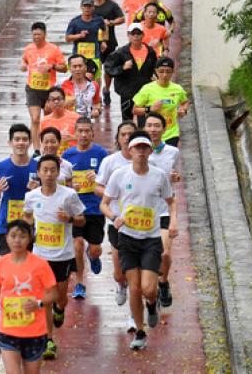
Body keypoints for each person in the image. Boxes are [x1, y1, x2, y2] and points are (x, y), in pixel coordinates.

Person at [100, 131, 176, 350]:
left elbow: (171, 201)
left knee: (148, 289)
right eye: (137, 148)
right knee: (134, 288)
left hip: (151, 239)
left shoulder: (159, 175)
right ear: (130, 150)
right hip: (128, 238)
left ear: (150, 151)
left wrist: (173, 222)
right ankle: (141, 332)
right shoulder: (120, 175)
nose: (141, 152)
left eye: (145, 148)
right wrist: (114, 217)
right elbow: (104, 203)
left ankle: (152, 305)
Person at [23, 155, 86, 360]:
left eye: (53, 170)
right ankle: (48, 340)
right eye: (45, 170)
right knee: (45, 300)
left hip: (63, 255)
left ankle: (61, 309)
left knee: (60, 297)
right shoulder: (31, 196)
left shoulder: (68, 195)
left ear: (58, 172)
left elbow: (81, 220)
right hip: (41, 256)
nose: (49, 174)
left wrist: (68, 218)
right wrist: (28, 233)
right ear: (39, 173)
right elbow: (26, 217)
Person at [0, 219, 57, 373]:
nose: (17, 240)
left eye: (22, 236)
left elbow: (54, 293)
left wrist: (38, 303)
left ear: (30, 239)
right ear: (6, 238)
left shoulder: (41, 265)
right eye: (13, 236)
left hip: (35, 332)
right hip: (8, 330)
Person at [94, 120, 138, 330]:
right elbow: (98, 188)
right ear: (118, 138)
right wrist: (114, 194)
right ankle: (121, 285)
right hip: (116, 222)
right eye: (123, 134)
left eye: (131, 134)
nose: (127, 137)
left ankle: (134, 315)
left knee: (135, 273)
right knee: (120, 273)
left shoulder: (146, 161)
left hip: (140, 225)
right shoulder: (111, 162)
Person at [62, 117, 109, 299]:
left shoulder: (101, 154)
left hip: (95, 209)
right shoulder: (67, 156)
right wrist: (70, 186)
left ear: (92, 133)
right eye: (80, 131)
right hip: (75, 209)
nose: (83, 134)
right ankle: (80, 282)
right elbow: (63, 183)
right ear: (75, 133)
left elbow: (108, 181)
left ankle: (94, 255)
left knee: (95, 248)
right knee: (77, 245)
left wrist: (97, 177)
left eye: (86, 131)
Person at [143, 112, 182, 308]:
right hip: (143, 212)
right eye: (149, 125)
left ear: (164, 129)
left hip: (164, 210)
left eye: (156, 126)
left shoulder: (172, 152)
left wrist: (175, 177)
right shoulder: (139, 151)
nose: (152, 130)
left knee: (165, 254)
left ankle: (164, 282)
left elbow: (173, 176)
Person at [0, 124, 39, 255]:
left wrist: (36, 191)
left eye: (24, 139)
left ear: (29, 143)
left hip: (31, 225)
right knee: (7, 266)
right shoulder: (0, 167)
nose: (21, 143)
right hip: (6, 225)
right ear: (10, 142)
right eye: (17, 139)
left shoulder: (38, 167)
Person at [21, 22, 67, 153]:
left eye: (39, 34)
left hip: (49, 91)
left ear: (45, 34)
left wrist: (51, 66)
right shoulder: (28, 48)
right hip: (32, 89)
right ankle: (36, 149)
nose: (36, 37)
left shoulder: (53, 49)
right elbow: (24, 60)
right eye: (34, 34)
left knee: (48, 119)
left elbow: (64, 68)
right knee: (35, 119)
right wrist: (23, 65)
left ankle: (48, 146)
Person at [103, 23, 158, 121]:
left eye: (138, 33)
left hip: (144, 92)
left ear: (143, 35)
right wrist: (122, 68)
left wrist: (156, 79)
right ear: (128, 35)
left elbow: (155, 68)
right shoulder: (120, 53)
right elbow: (108, 69)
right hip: (127, 93)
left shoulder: (150, 52)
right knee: (127, 121)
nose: (136, 36)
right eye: (133, 34)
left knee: (144, 120)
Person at [133, 56, 190, 146]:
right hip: (152, 133)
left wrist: (184, 110)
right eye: (161, 71)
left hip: (171, 133)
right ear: (156, 71)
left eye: (168, 72)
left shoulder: (177, 89)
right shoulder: (147, 89)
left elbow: (185, 102)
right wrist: (150, 108)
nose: (164, 75)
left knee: (168, 159)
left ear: (173, 72)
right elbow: (135, 110)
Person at [93, 0, 125, 106]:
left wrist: (110, 22)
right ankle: (97, 96)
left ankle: (106, 89)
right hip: (93, 43)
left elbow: (122, 18)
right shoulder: (90, 6)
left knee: (107, 68)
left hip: (109, 41)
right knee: (96, 69)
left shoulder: (111, 6)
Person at [65, 0, 107, 79]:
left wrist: (103, 41)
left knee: (91, 77)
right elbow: (67, 38)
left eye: (89, 6)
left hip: (93, 57)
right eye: (85, 6)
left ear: (93, 8)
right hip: (78, 57)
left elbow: (104, 29)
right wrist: (79, 36)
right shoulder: (75, 22)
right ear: (81, 7)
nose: (87, 9)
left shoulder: (99, 20)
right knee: (78, 79)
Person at [40, 87, 81, 155]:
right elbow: (43, 145)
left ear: (64, 100)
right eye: (53, 99)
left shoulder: (76, 118)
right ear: (48, 102)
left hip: (73, 155)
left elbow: (87, 140)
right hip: (53, 158)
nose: (56, 102)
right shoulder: (44, 121)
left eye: (59, 99)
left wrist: (73, 138)